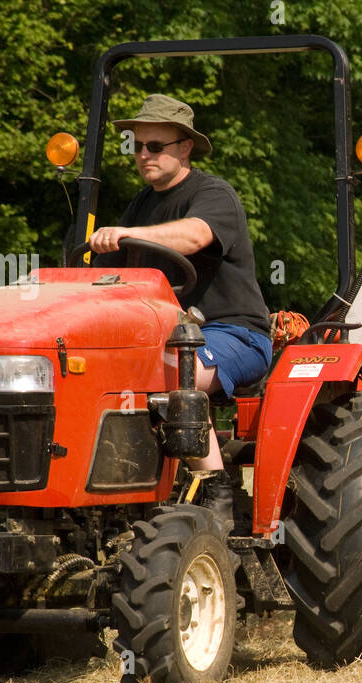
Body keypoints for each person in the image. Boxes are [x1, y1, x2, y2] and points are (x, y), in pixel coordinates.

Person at [90, 94, 272, 516]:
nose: (143, 155)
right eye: (137, 146)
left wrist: (126, 232)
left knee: (174, 376)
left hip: (233, 334)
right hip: (169, 337)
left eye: (155, 146)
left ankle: (218, 493)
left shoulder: (214, 194)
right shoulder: (142, 204)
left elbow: (193, 237)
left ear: (185, 147)